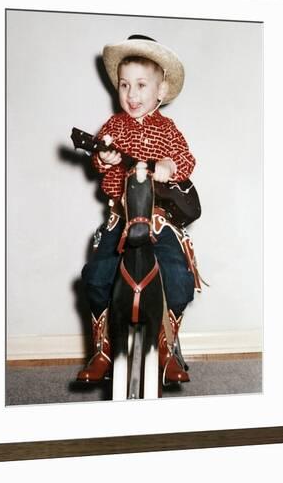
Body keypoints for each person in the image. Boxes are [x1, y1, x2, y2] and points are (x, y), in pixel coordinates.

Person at [76, 34, 200, 386]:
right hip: (122, 219)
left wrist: (168, 164)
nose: (131, 94)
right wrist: (103, 155)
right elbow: (101, 164)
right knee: (96, 276)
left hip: (160, 221)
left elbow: (187, 160)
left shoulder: (168, 129)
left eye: (141, 85)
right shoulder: (114, 128)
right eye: (124, 85)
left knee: (179, 278)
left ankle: (166, 346)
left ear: (160, 92)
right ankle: (102, 349)